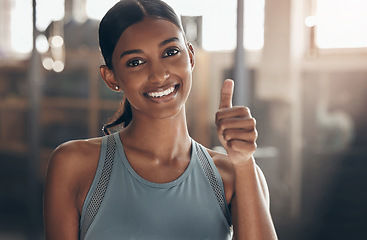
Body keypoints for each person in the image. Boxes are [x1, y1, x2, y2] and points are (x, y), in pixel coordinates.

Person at [43, 0, 278, 239]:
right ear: (111, 77)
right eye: (136, 62)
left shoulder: (235, 174)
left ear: (191, 56)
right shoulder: (73, 165)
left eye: (170, 52)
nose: (159, 74)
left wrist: (244, 162)